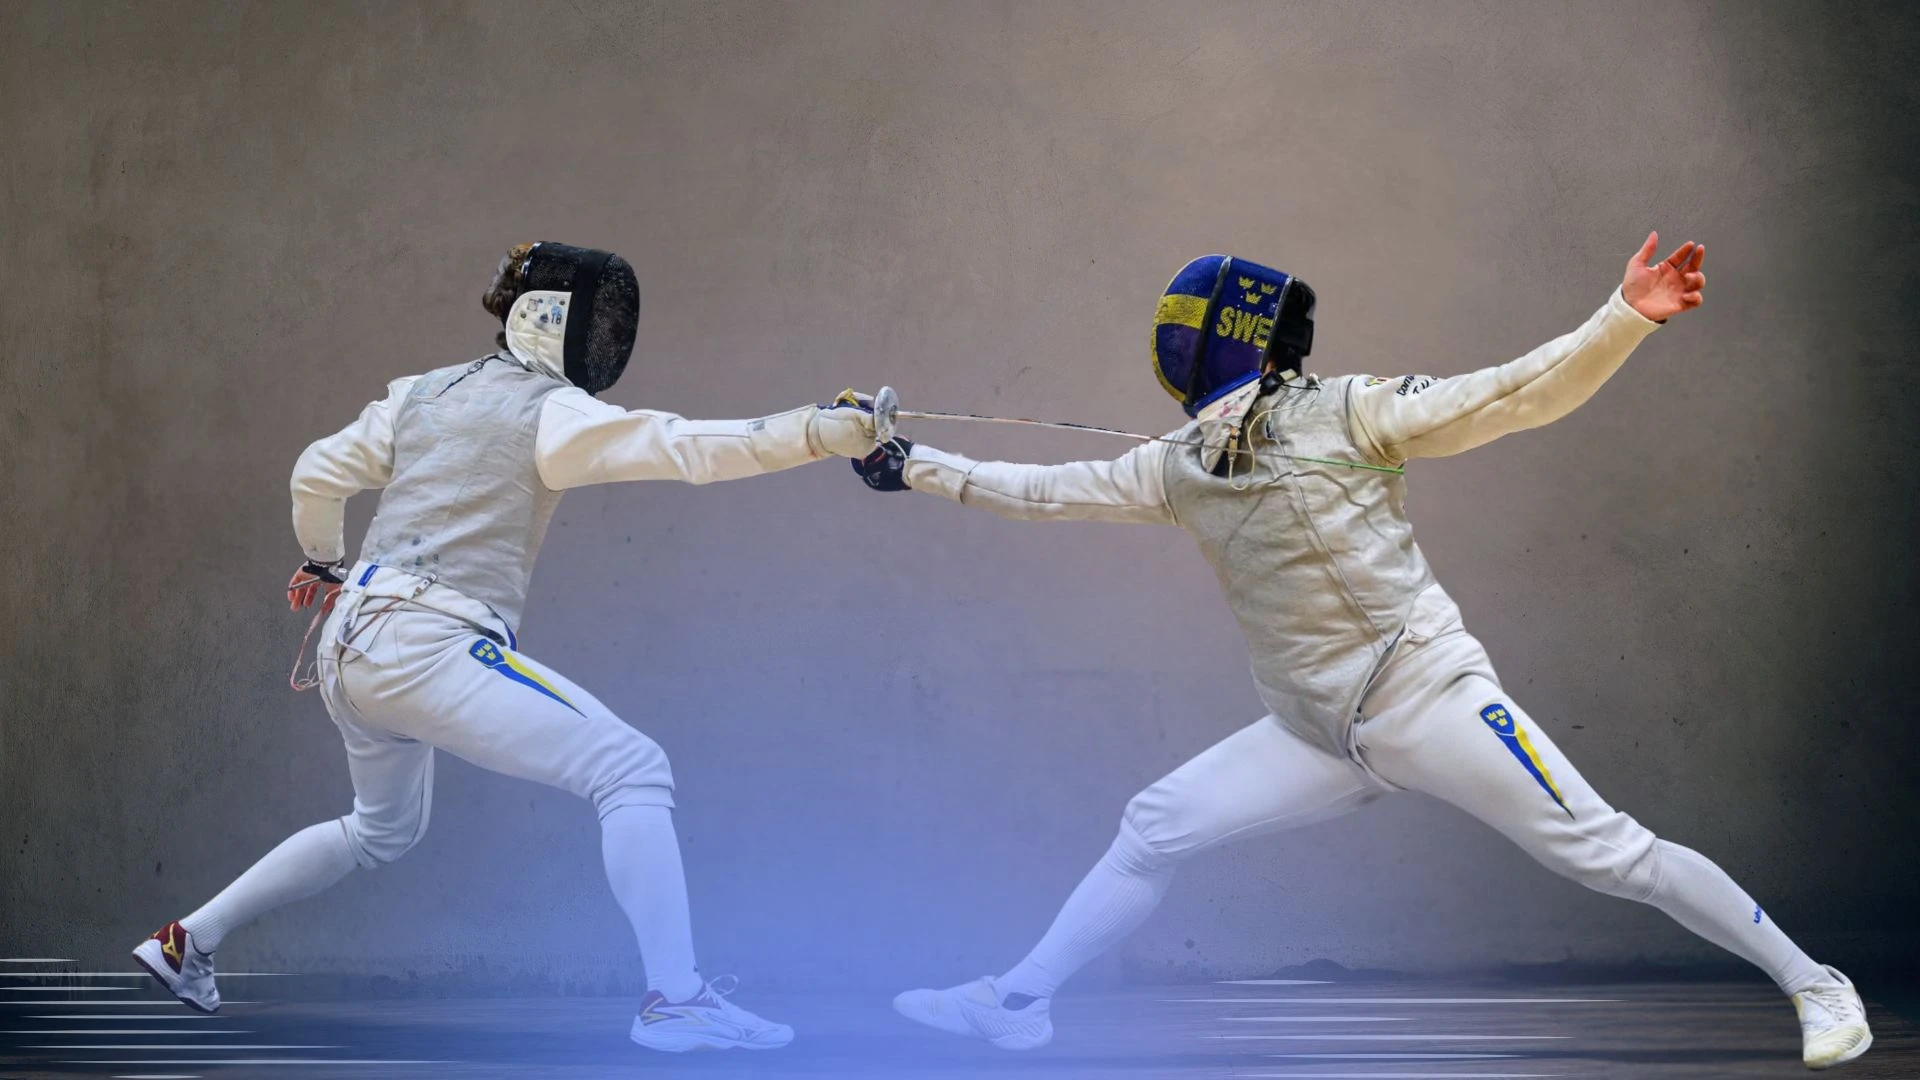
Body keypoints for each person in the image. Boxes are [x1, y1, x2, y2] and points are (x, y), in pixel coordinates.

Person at [854, 233, 1872, 1071]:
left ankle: (1818, 984)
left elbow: (1511, 395)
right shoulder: (1179, 466)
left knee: (1610, 854)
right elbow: (1041, 491)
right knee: (1155, 826)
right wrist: (913, 465)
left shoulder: (1349, 411)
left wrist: (1624, 317)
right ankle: (1018, 1003)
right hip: (1314, 730)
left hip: (1427, 697)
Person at [132, 241, 879, 1053]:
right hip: (425, 645)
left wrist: (324, 562)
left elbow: (315, 473)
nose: (611, 338)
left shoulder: (420, 392)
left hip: (349, 647)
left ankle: (187, 941)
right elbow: (687, 446)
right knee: (631, 769)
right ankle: (676, 1000)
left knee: (380, 832)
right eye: (602, 320)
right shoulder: (553, 413)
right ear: (557, 319)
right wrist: (819, 430)